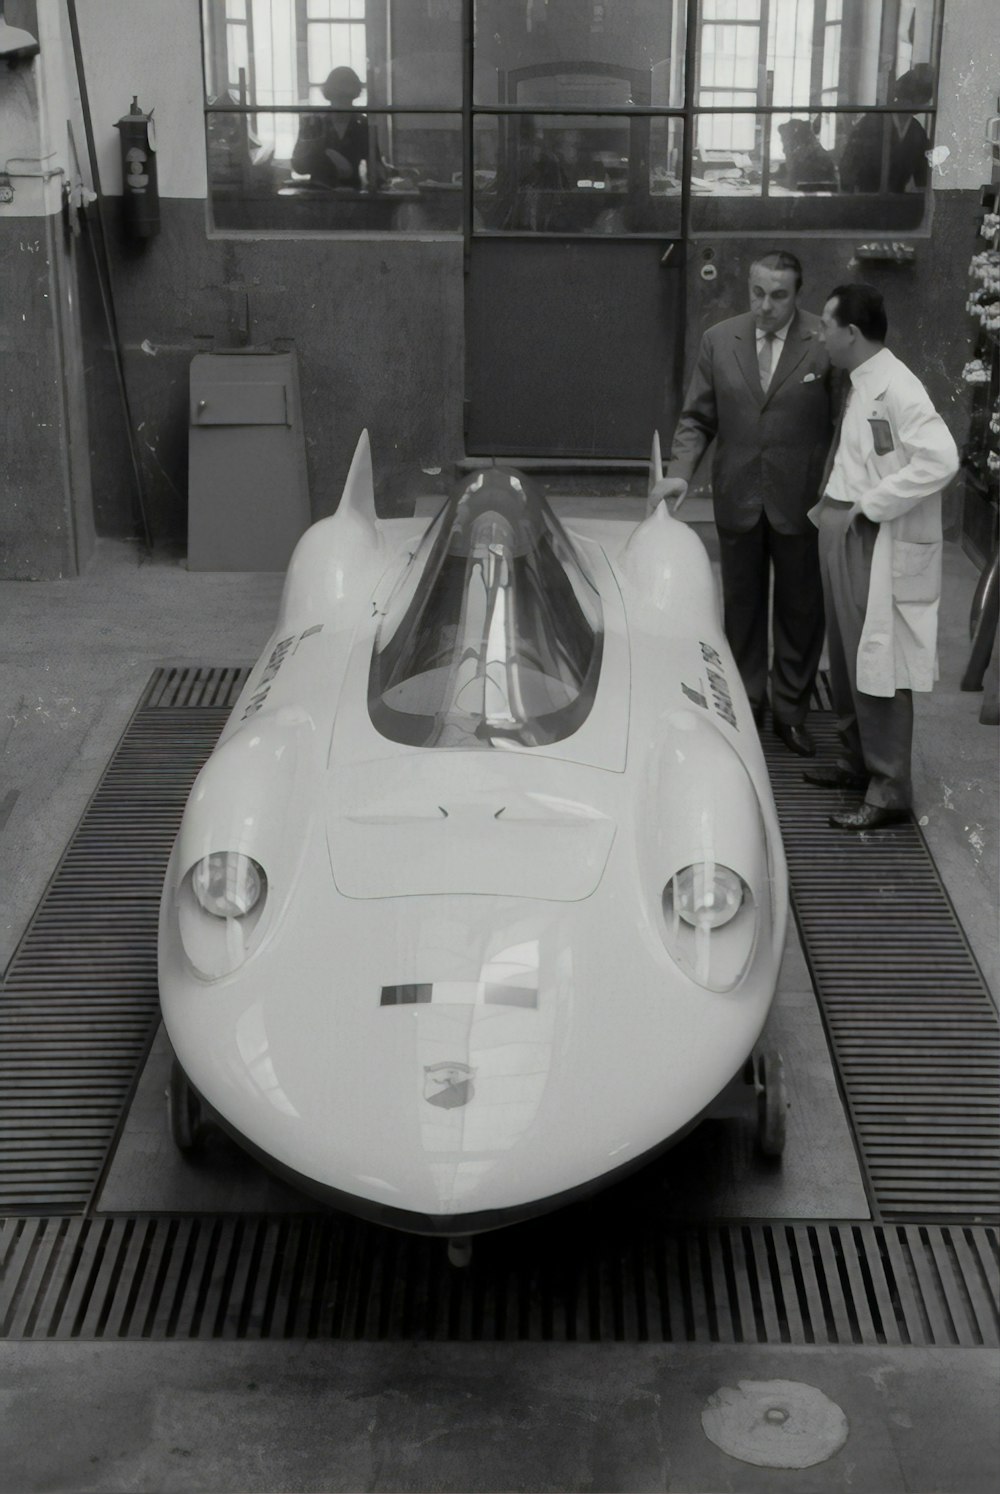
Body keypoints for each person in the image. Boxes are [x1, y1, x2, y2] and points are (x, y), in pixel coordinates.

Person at [650, 250, 835, 755]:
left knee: (801, 609)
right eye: (758, 293)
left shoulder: (823, 342)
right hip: (738, 495)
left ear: (798, 294)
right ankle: (747, 701)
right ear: (748, 288)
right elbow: (697, 418)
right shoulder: (719, 340)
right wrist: (678, 473)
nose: (766, 305)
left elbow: (844, 423)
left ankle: (791, 711)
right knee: (742, 607)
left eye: (779, 295)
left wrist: (837, 488)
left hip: (802, 499)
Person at [806, 283, 959, 830]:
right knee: (847, 659)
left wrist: (871, 506)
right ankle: (855, 762)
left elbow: (942, 459)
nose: (819, 334)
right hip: (843, 525)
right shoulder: (860, 381)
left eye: (826, 325)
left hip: (870, 531)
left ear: (851, 332)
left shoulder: (898, 385)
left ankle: (891, 787)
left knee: (878, 662)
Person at [839, 66, 934, 194]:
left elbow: (922, 175)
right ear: (918, 98)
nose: (927, 105)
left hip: (897, 205)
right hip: (865, 201)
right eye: (925, 99)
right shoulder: (871, 121)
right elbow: (848, 165)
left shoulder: (917, 132)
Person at [291, 65, 383, 190]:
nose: (342, 105)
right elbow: (299, 167)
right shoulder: (314, 122)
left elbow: (375, 164)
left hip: (352, 194)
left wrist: (379, 174)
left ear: (354, 96)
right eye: (338, 98)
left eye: (347, 98)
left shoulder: (363, 124)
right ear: (330, 96)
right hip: (319, 194)